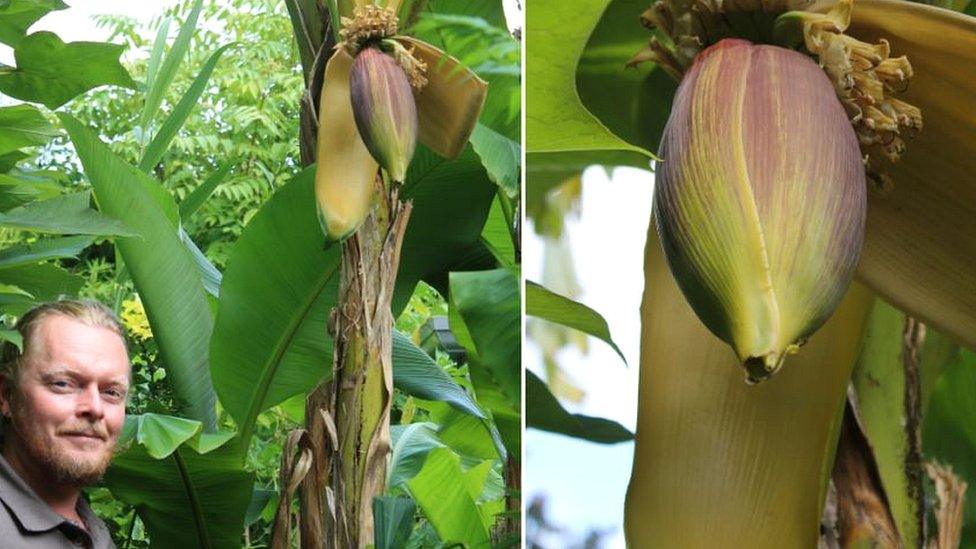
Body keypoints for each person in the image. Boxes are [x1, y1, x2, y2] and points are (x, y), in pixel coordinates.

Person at [0, 300, 129, 548]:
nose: (95, 408)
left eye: (111, 392)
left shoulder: (93, 531)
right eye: (63, 384)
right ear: (6, 394)